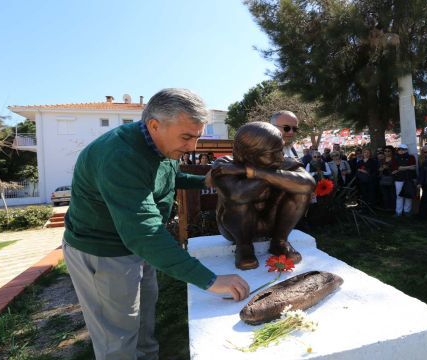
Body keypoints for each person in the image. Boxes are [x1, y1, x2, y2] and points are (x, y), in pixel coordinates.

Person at [62, 89, 250, 359]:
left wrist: (203, 181)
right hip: (104, 253)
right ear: (154, 125)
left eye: (197, 137)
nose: (192, 147)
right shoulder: (119, 156)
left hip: (138, 248)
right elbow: (144, 232)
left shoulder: (160, 145)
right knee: (117, 338)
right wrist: (209, 280)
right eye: (186, 137)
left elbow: (161, 180)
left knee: (142, 325)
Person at [212, 122, 315, 269]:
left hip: (271, 222)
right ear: (248, 154)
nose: (280, 157)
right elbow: (238, 194)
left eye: (280, 150)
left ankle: (280, 242)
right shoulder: (224, 165)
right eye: (271, 153)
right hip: (235, 228)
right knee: (239, 200)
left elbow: (308, 184)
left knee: (300, 191)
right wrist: (276, 177)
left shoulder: (283, 162)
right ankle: (244, 247)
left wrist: (254, 172)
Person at [391, 144, 417, 216]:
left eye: (403, 149)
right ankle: (398, 212)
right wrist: (408, 167)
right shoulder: (395, 157)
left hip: (409, 178)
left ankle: (407, 211)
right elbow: (396, 168)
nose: (401, 151)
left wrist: (401, 168)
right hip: (398, 179)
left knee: (408, 195)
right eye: (399, 149)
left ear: (406, 150)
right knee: (399, 196)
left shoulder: (411, 157)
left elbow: (413, 168)